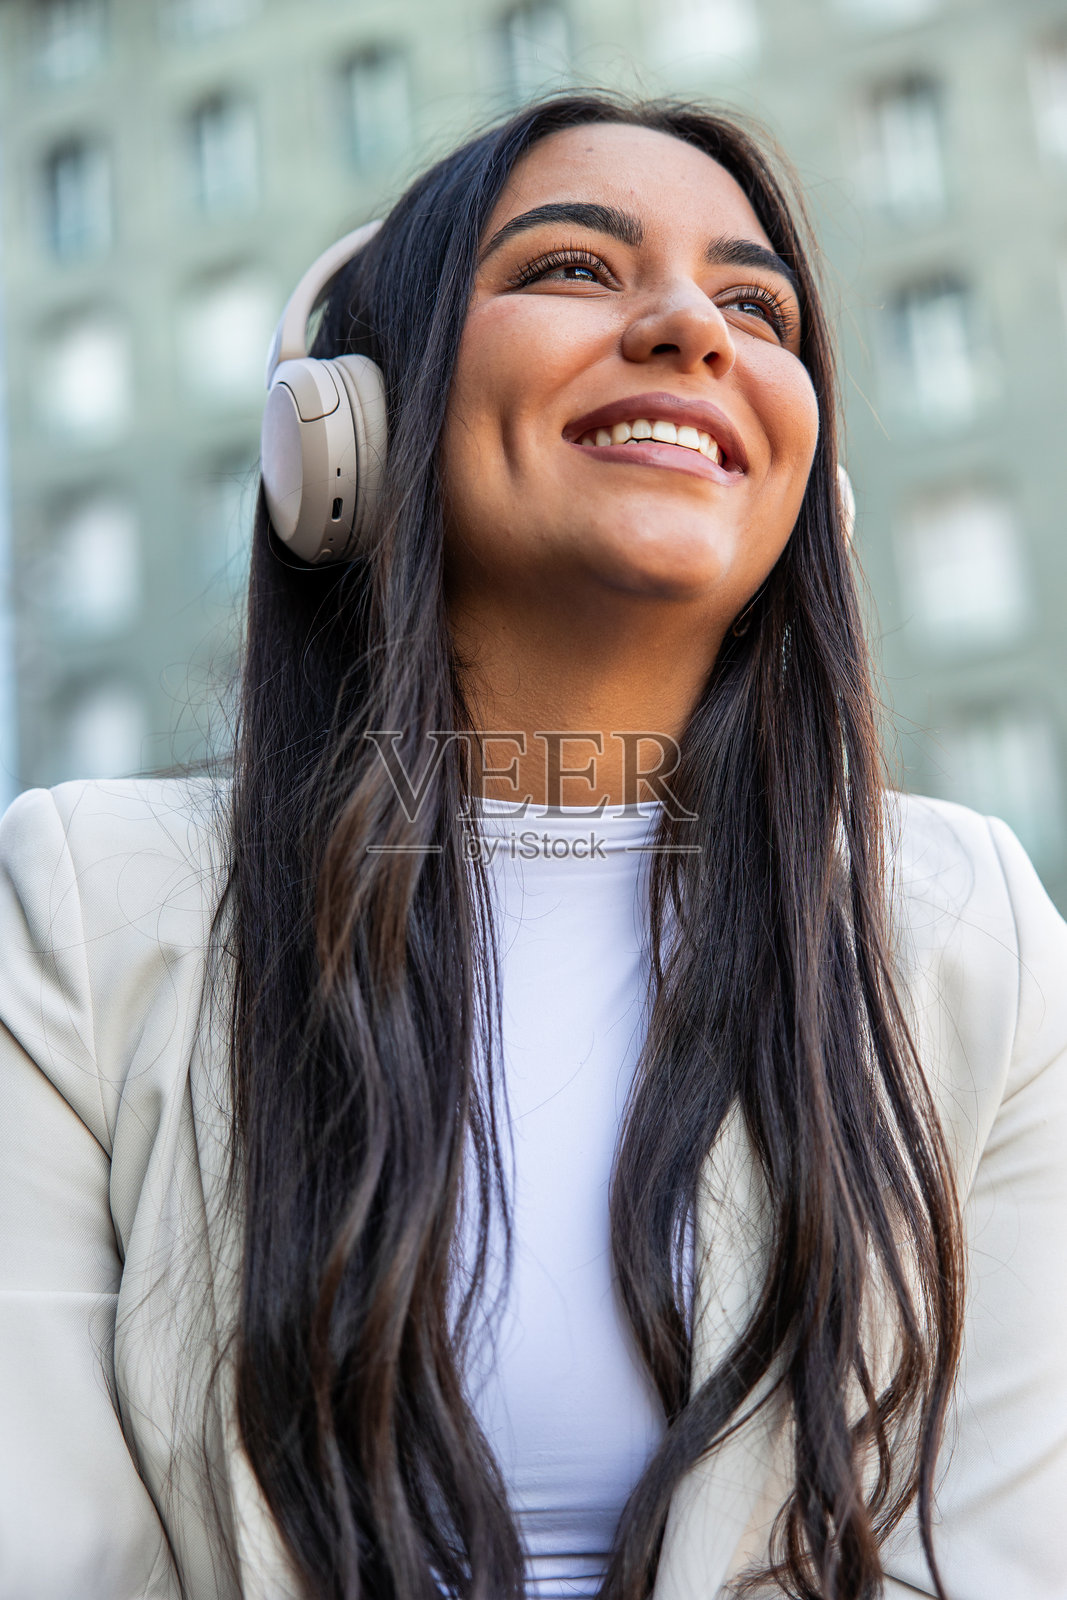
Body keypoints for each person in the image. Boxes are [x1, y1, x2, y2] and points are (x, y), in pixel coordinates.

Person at [1, 92, 1065, 1600]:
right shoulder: (81, 911)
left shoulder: (972, 936)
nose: (693, 327)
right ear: (346, 432)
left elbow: (1006, 1558)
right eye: (573, 267)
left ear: (806, 494)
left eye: (755, 303)